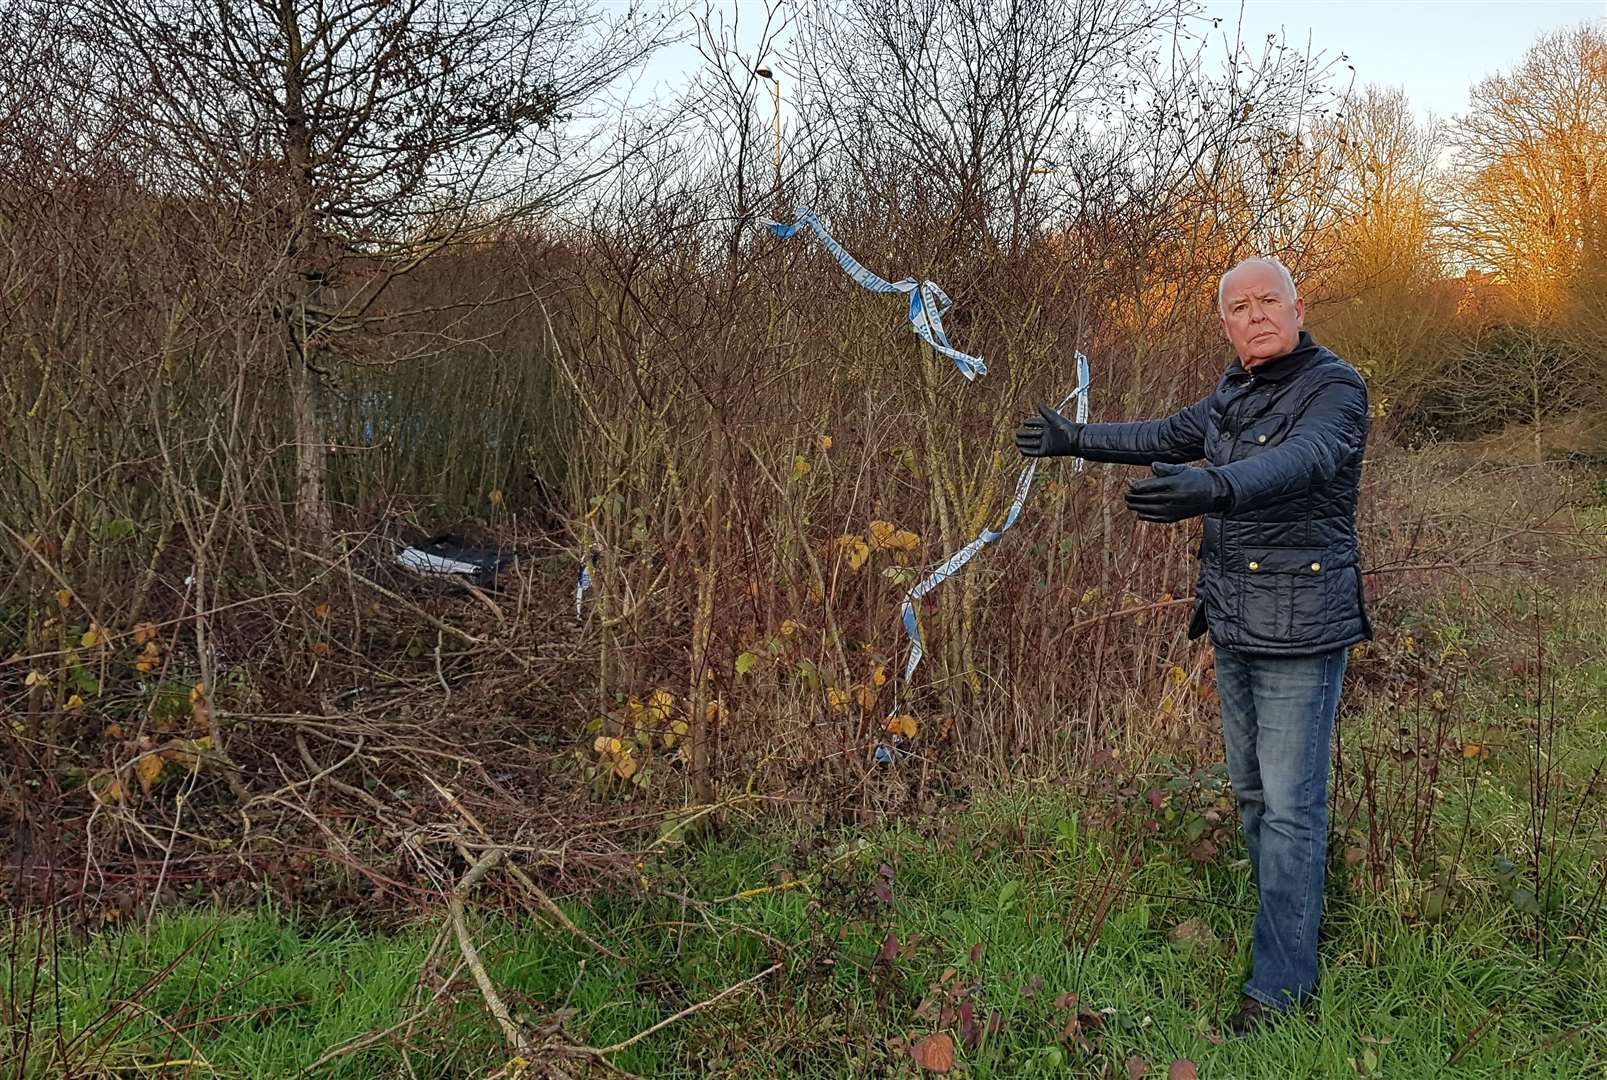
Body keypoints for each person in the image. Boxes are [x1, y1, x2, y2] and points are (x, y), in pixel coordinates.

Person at [1014, 256, 1371, 1035]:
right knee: (1252, 795)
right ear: (1224, 324)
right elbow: (1164, 432)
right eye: (1238, 308)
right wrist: (1074, 439)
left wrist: (1213, 486)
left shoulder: (1334, 388)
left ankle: (1280, 990)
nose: (1255, 317)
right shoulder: (1231, 392)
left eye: (1267, 302)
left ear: (1296, 306)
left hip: (1301, 625)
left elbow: (1301, 460)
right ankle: (1281, 914)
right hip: (1235, 620)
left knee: (1289, 810)